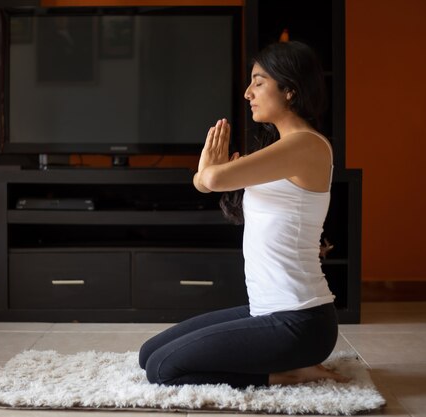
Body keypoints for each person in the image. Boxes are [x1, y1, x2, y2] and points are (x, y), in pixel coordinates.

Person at [138, 41, 349, 388]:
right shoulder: (279, 151)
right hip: (266, 311)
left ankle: (284, 374)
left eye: (259, 81)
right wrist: (207, 176)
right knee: (150, 354)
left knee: (161, 370)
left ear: (290, 90)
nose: (248, 92)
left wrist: (208, 170)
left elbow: (212, 180)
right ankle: (289, 367)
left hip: (300, 321)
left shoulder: (306, 145)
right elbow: (207, 184)